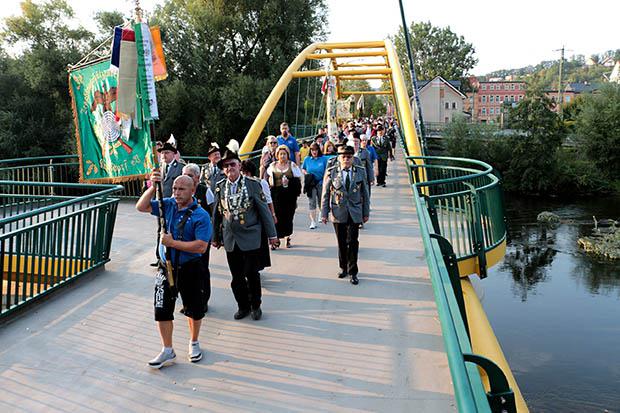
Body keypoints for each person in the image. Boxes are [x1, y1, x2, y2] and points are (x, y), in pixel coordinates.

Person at [136, 174, 211, 368]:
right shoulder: (166, 204)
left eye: (182, 189)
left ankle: (194, 342)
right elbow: (141, 206)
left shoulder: (201, 215)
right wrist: (154, 186)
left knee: (194, 308)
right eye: (175, 189)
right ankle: (167, 349)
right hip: (165, 267)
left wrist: (173, 243)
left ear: (192, 190)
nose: (176, 193)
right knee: (161, 309)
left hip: (190, 268)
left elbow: (201, 247)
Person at [212, 145, 278, 321]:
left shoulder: (253, 185)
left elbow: (264, 211)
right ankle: (243, 306)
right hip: (231, 238)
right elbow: (217, 214)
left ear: (239, 166)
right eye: (225, 166)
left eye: (232, 164)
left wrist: (272, 235)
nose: (229, 168)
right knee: (236, 277)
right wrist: (215, 237)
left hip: (250, 237)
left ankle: (256, 305)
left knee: (251, 273)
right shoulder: (220, 187)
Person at [321, 145, 370, 285]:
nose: (346, 160)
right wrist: (324, 213)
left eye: (349, 157)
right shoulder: (332, 172)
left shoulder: (360, 171)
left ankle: (353, 271)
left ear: (353, 158)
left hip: (355, 211)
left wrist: (365, 213)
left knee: (353, 242)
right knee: (341, 242)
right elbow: (326, 193)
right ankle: (343, 267)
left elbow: (365, 194)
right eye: (343, 157)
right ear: (339, 158)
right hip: (338, 211)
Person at [183, 163, 214, 313]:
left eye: (189, 175)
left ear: (197, 177)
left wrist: (214, 236)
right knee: (186, 271)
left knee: (201, 269)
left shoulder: (205, 191)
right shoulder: (180, 191)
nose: (186, 178)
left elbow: (214, 213)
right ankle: (188, 302)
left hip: (201, 239)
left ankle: (203, 300)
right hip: (184, 239)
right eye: (184, 175)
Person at [240, 160, 276, 272]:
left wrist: (272, 215)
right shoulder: (237, 184)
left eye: (244, 172)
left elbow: (268, 201)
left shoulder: (259, 183)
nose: (243, 175)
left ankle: (257, 266)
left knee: (259, 243)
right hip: (244, 219)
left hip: (258, 217)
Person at [266, 145, 302, 248]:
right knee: (276, 216)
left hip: (289, 196)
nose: (282, 156)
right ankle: (276, 238)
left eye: (284, 154)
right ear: (277, 155)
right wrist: (270, 181)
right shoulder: (272, 166)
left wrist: (289, 182)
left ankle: (287, 237)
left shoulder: (292, 165)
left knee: (288, 217)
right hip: (276, 195)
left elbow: (298, 180)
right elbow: (267, 177)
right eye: (280, 154)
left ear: (288, 155)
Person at [301, 142, 327, 229]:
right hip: (311, 183)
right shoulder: (307, 159)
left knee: (321, 200)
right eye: (312, 150)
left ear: (318, 150)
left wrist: (325, 181)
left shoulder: (323, 159)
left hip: (320, 183)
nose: (314, 152)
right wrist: (306, 173)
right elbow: (303, 168)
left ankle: (321, 213)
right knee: (312, 202)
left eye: (316, 150)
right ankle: (313, 221)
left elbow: (327, 170)